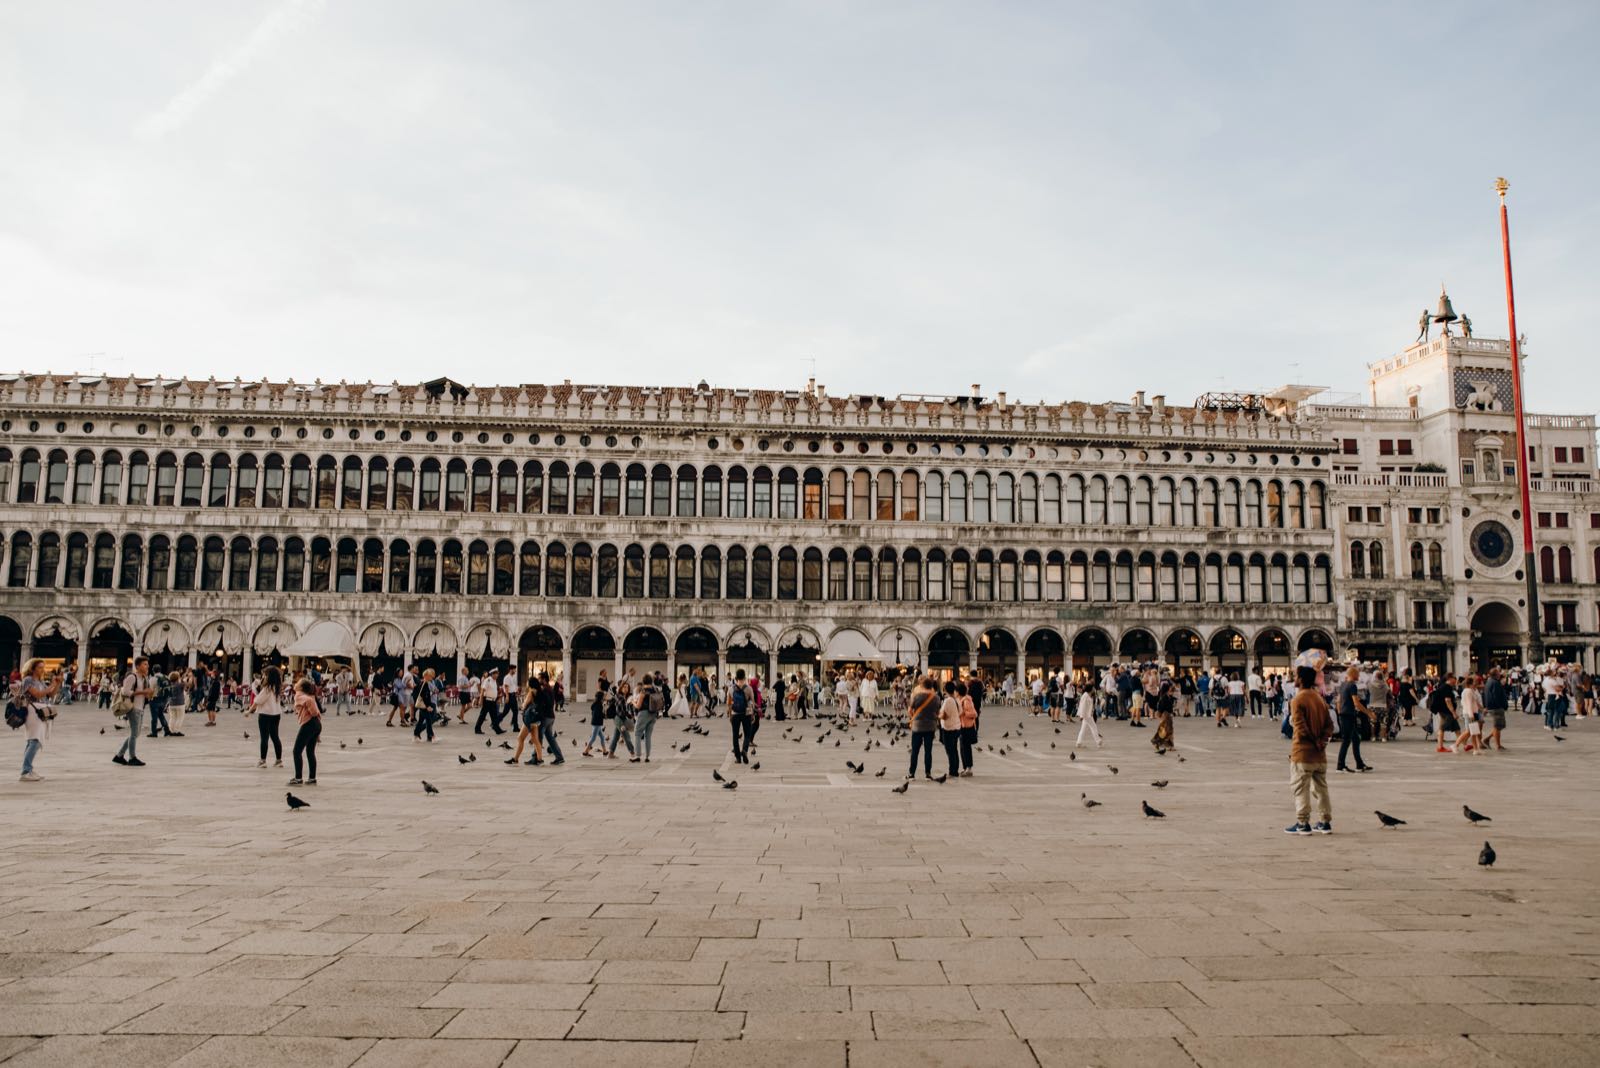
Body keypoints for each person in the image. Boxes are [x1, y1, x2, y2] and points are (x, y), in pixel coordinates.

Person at [1285, 664, 1335, 836]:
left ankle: (1302, 822)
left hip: (1303, 752)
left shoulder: (1297, 699)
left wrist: (1314, 741)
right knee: (1321, 788)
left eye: (1296, 676)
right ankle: (1324, 822)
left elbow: (1300, 727)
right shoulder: (1319, 698)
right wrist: (1322, 742)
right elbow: (1330, 725)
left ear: (1301, 679)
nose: (1294, 678)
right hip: (1320, 755)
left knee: (1300, 787)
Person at [14, 659, 59, 782]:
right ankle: (25, 771)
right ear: (32, 668)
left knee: (32, 741)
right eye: (39, 667)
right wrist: (50, 686)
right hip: (33, 711)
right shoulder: (28, 680)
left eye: (43, 667)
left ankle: (28, 769)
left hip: (40, 711)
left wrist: (57, 684)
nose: (42, 670)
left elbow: (51, 695)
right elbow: (38, 695)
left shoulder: (40, 681)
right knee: (35, 740)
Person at [114, 656, 154, 768]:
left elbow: (144, 693)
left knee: (135, 734)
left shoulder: (144, 678)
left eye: (147, 664)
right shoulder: (132, 677)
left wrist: (149, 693)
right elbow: (126, 692)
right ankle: (132, 758)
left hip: (140, 708)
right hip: (132, 708)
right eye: (145, 664)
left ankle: (119, 755)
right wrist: (142, 692)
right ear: (138, 666)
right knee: (134, 733)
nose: (147, 666)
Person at [1335, 665, 1373, 773]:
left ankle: (1359, 765)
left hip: (1344, 714)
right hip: (1348, 715)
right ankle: (1340, 765)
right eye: (1357, 674)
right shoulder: (1352, 686)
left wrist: (1339, 712)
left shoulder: (1343, 685)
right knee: (1346, 740)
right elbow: (1356, 703)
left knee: (1356, 739)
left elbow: (1338, 700)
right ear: (1353, 674)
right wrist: (1368, 713)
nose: (1359, 676)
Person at [288, 678, 322, 786]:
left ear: (301, 687)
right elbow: (315, 710)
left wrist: (313, 711)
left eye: (297, 683)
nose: (295, 684)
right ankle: (312, 778)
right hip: (316, 724)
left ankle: (298, 778)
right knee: (310, 752)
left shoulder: (299, 695)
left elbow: (309, 703)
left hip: (309, 724)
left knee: (296, 751)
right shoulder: (309, 696)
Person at [906, 676, 940, 780]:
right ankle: (928, 773)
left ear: (922, 685)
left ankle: (912, 773)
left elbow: (910, 710)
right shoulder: (936, 697)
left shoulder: (917, 696)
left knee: (915, 751)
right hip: (930, 727)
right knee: (928, 751)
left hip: (917, 726)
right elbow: (937, 712)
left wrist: (913, 717)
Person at [251, 666, 285, 768]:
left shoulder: (267, 688)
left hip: (265, 715)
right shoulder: (277, 687)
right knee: (275, 737)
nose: (263, 676)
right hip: (276, 714)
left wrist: (248, 711)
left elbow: (258, 701)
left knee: (264, 738)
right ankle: (279, 760)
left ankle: (263, 761)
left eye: (265, 674)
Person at [508, 679, 543, 766]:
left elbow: (525, 705)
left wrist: (522, 706)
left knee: (520, 738)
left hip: (529, 719)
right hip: (536, 719)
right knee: (535, 740)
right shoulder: (540, 692)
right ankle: (539, 759)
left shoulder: (531, 693)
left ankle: (515, 759)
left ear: (530, 684)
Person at [727, 670, 754, 765]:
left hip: (735, 714)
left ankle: (738, 758)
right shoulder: (749, 688)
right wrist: (752, 715)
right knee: (747, 734)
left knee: (735, 736)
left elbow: (729, 704)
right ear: (744, 677)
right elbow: (752, 703)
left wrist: (730, 715)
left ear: (736, 678)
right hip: (746, 714)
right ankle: (745, 750)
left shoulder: (731, 689)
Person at [938, 680, 963, 779]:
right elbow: (960, 712)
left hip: (949, 728)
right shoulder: (957, 699)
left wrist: (938, 714)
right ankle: (955, 770)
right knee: (954, 750)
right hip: (956, 727)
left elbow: (945, 715)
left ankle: (952, 771)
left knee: (950, 751)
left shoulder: (948, 700)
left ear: (945, 689)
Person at [1428, 674, 1459, 753]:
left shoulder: (1443, 686)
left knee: (1456, 728)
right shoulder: (1447, 687)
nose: (1455, 681)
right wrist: (1453, 712)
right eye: (1454, 678)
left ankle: (1465, 745)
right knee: (1442, 728)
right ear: (1450, 678)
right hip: (1446, 711)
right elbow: (1448, 700)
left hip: (1444, 710)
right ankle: (1440, 746)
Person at [1455, 676, 1485, 755]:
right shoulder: (1468, 691)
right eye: (1473, 683)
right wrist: (1471, 714)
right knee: (1469, 731)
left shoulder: (1468, 691)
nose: (1475, 684)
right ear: (1470, 684)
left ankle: (1475, 749)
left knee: (1473, 732)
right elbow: (1468, 704)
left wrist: (1481, 708)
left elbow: (1473, 702)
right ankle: (1455, 745)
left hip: (1472, 712)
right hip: (1470, 713)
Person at [607, 681, 637, 759]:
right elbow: (621, 712)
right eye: (624, 687)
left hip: (617, 718)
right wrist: (629, 716)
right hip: (619, 719)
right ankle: (633, 753)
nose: (626, 689)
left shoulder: (619, 696)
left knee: (616, 736)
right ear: (621, 688)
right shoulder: (620, 697)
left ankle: (611, 753)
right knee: (626, 735)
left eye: (627, 687)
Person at [635, 678, 662, 763]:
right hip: (653, 714)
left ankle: (637, 755)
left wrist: (632, 702)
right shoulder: (655, 690)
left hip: (643, 713)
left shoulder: (643, 691)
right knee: (648, 736)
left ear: (643, 682)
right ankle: (647, 756)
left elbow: (638, 706)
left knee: (638, 733)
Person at [1483, 667, 1509, 751]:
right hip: (1496, 707)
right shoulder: (1495, 683)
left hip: (1492, 707)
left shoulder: (1489, 682)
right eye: (1498, 673)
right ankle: (1497, 745)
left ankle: (1487, 739)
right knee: (1497, 726)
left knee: (1499, 726)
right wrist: (1501, 705)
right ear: (1496, 674)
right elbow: (1496, 696)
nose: (1500, 674)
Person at [413, 668, 439, 742]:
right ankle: (432, 735)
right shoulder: (425, 683)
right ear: (426, 675)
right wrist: (428, 706)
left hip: (423, 705)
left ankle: (416, 735)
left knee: (421, 720)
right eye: (430, 676)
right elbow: (425, 696)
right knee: (428, 720)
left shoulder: (423, 682)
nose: (432, 677)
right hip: (424, 705)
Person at [474, 668, 504, 734]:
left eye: (497, 674)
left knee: (494, 716)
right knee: (482, 715)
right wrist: (480, 700)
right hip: (487, 700)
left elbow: (495, 691)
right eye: (495, 674)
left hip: (493, 701)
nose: (497, 675)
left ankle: (497, 730)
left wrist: (498, 698)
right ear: (492, 674)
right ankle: (477, 729)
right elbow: (482, 690)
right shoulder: (488, 680)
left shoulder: (495, 681)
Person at [1150, 680, 1176, 752]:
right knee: (1167, 731)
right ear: (1167, 689)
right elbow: (1160, 708)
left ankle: (1159, 743)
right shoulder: (1164, 697)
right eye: (1169, 687)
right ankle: (1167, 745)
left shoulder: (1168, 696)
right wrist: (1160, 716)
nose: (1170, 688)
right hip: (1165, 715)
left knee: (1166, 731)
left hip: (1168, 715)